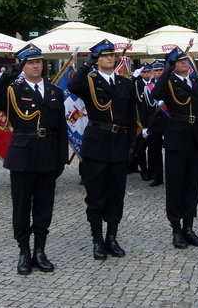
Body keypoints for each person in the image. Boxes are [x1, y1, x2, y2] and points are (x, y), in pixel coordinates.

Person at [0, 43, 69, 276]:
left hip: (48, 154)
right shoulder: (13, 90)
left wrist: (62, 158)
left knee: (43, 207)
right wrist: (7, 77)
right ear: (23, 66)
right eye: (30, 63)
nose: (35, 66)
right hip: (22, 155)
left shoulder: (54, 92)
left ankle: (40, 250)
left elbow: (61, 127)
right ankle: (24, 251)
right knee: (21, 207)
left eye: (38, 62)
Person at [68, 40, 137, 260]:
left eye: (112, 55)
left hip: (118, 143)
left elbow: (131, 116)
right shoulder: (89, 80)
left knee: (116, 194)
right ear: (97, 59)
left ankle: (112, 237)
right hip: (97, 143)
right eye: (104, 56)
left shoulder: (125, 84)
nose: (109, 58)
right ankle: (97, 239)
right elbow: (72, 87)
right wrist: (86, 65)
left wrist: (132, 145)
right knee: (96, 195)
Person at [151, 49, 198, 249]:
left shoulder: (197, 82)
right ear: (172, 64)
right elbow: (155, 95)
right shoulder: (168, 83)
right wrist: (167, 69)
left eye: (186, 59)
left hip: (195, 139)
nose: (185, 62)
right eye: (180, 60)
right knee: (176, 185)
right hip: (177, 139)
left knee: (193, 185)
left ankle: (189, 227)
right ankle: (176, 229)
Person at [143, 61, 166, 187]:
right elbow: (144, 108)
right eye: (156, 70)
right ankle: (158, 177)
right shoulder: (148, 88)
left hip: (168, 122)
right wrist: (145, 126)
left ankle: (173, 175)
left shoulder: (169, 85)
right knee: (155, 152)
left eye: (161, 70)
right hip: (154, 123)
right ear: (152, 72)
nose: (158, 72)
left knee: (171, 151)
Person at [130, 63, 153, 178]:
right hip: (140, 121)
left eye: (148, 72)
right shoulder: (136, 84)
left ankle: (152, 170)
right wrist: (133, 77)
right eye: (144, 72)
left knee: (153, 149)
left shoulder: (154, 84)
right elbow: (127, 90)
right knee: (140, 148)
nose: (147, 74)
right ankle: (144, 171)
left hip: (153, 121)